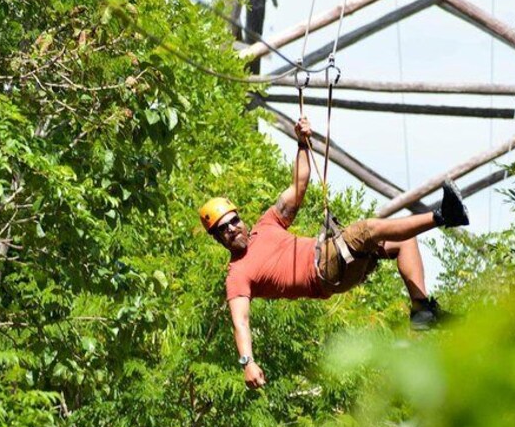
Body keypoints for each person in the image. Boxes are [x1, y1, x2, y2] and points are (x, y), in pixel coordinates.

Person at [198, 116, 469, 389]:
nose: (232, 229)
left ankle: (422, 311)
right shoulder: (237, 274)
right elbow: (241, 321)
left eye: (234, 221)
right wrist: (248, 362)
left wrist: (302, 143)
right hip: (323, 270)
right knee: (367, 229)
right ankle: (444, 215)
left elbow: (299, 186)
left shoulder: (266, 225)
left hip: (334, 258)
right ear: (217, 238)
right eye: (224, 229)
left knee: (403, 241)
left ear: (240, 219)